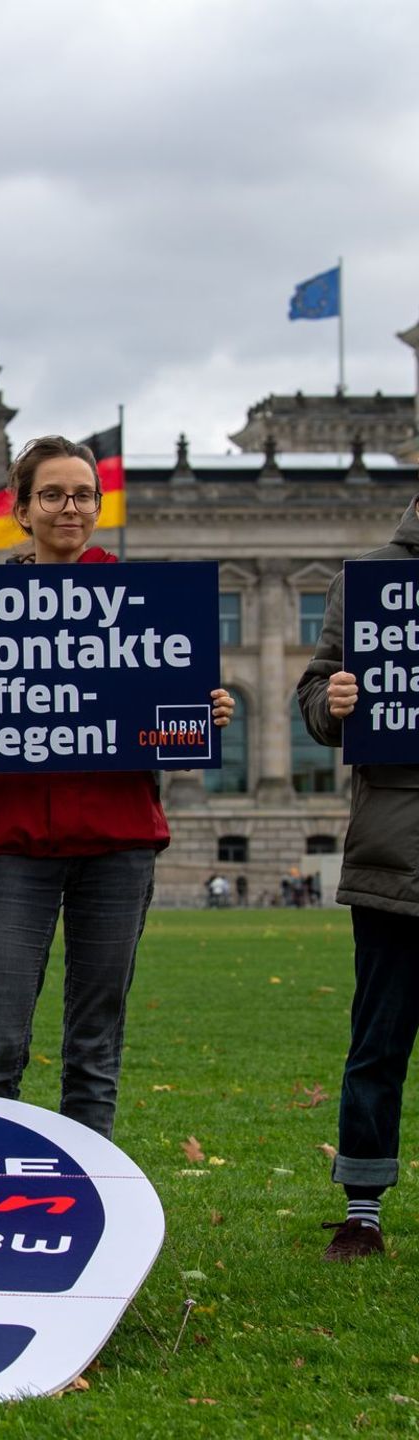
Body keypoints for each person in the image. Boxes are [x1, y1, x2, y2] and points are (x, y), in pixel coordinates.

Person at [0, 435, 233, 1139]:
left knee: (95, 1045)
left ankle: (93, 1196)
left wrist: (204, 715)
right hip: (16, 848)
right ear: (22, 510)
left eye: (82, 494)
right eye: (51, 494)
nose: (68, 507)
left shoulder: (142, 600)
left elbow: (170, 712)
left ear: (99, 505)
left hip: (117, 846)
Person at [296, 491, 419, 1261]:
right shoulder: (370, 580)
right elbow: (312, 694)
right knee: (377, 1038)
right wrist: (333, 702)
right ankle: (363, 1204)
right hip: (396, 846)